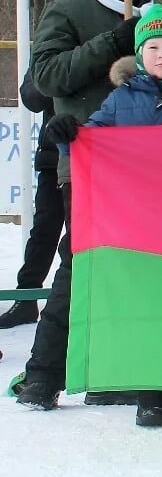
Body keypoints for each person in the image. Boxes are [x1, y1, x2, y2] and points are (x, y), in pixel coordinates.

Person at [47, 6, 162, 426]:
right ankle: (148, 388)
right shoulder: (120, 99)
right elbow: (92, 143)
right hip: (137, 223)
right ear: (139, 54)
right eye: (153, 47)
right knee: (145, 303)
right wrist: (67, 135)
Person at [15, 0, 157, 411]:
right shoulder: (69, 10)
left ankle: (123, 369)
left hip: (152, 168)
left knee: (142, 272)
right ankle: (43, 376)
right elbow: (48, 76)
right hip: (90, 162)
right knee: (80, 266)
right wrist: (112, 44)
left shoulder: (157, 15)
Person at [0, 72, 63, 330]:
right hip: (54, 156)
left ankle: (71, 299)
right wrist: (64, 78)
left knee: (84, 237)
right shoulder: (49, 52)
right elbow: (31, 95)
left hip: (98, 156)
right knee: (43, 231)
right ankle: (26, 296)